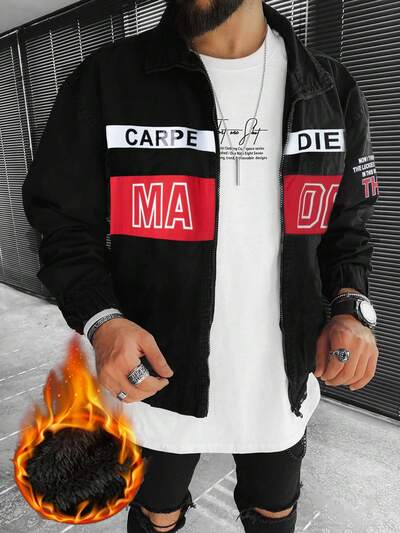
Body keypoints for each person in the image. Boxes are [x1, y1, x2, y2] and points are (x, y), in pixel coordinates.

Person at [22, 1, 380, 532]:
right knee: (156, 515)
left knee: (274, 512)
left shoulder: (331, 89)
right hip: (155, 381)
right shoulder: (109, 79)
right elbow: (62, 222)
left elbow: (347, 229)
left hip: (280, 385)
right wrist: (102, 321)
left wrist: (351, 307)